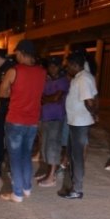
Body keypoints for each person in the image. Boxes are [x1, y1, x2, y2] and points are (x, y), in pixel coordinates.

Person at [0, 40, 46, 203]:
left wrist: (12, 92)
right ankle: (27, 188)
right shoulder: (42, 72)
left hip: (16, 120)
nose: (16, 56)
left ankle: (17, 193)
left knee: (15, 158)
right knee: (26, 155)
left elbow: (2, 92)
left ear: (22, 53)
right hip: (32, 121)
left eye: (17, 53)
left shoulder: (14, 71)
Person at [58, 52, 98, 199]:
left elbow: (89, 101)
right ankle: (74, 186)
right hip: (75, 122)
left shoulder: (83, 79)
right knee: (73, 155)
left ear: (75, 65)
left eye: (68, 65)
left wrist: (93, 114)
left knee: (77, 157)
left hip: (79, 123)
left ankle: (77, 189)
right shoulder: (81, 77)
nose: (67, 68)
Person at [37, 56, 70, 187]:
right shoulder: (47, 80)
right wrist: (46, 98)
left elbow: (56, 98)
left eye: (55, 65)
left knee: (53, 146)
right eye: (50, 65)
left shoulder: (63, 81)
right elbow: (41, 96)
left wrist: (45, 98)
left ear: (59, 66)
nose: (52, 68)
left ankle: (52, 176)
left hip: (57, 117)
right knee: (45, 146)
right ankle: (48, 172)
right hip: (45, 116)